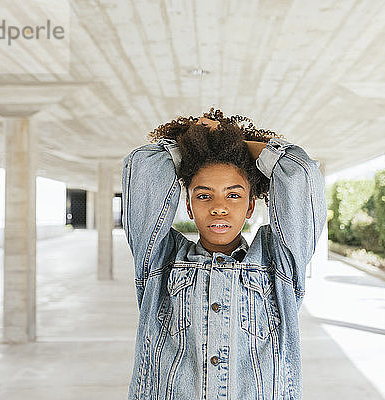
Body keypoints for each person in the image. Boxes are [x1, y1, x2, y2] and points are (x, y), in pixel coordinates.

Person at [121, 108, 327, 399]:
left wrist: (237, 144)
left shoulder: (278, 266)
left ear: (251, 207)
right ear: (189, 208)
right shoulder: (160, 261)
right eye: (204, 195)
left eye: (233, 194)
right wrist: (196, 141)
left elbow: (299, 171)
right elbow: (143, 165)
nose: (219, 207)